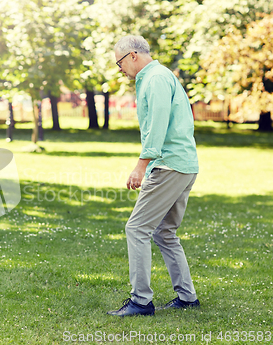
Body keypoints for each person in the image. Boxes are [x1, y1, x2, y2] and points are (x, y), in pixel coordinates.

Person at [107, 36, 199, 316]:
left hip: (169, 165)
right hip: (183, 164)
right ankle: (187, 297)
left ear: (133, 55)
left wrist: (141, 164)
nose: (120, 69)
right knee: (165, 232)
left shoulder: (155, 79)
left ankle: (141, 301)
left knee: (137, 229)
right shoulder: (158, 76)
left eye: (119, 63)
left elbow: (158, 124)